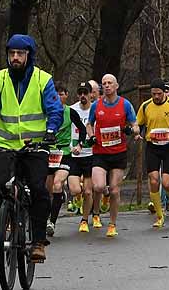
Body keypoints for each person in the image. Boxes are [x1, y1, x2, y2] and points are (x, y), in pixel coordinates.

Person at [0, 35, 64, 261]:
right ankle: (2, 220)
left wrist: (51, 131)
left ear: (29, 56)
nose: (15, 58)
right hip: (5, 144)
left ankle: (38, 241)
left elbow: (55, 110)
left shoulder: (43, 80)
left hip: (35, 146)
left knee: (38, 189)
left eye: (20, 54)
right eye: (12, 53)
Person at [86, 74, 137, 236]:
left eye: (110, 83)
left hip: (118, 153)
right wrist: (91, 135)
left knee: (115, 190)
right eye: (104, 83)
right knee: (99, 186)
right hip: (100, 153)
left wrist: (131, 130)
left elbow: (135, 124)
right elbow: (89, 124)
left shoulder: (125, 104)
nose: (107, 86)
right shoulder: (96, 105)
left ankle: (112, 224)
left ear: (116, 86)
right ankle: (99, 207)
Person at [136, 80, 169, 228]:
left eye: (159, 94)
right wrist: (137, 133)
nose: (157, 97)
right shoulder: (146, 106)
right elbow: (139, 124)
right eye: (154, 94)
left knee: (166, 183)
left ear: (164, 92)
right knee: (153, 180)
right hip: (152, 146)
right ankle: (160, 216)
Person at [46, 86, 86, 235]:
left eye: (61, 94)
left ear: (66, 96)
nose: (57, 97)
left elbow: (82, 129)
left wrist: (79, 145)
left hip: (64, 153)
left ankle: (52, 222)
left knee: (57, 184)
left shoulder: (70, 112)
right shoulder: (45, 111)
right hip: (48, 152)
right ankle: (58, 197)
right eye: (54, 94)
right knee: (47, 189)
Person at [58, 83, 96, 235]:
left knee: (88, 192)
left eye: (85, 93)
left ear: (90, 94)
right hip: (74, 155)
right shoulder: (73, 109)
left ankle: (85, 220)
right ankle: (76, 199)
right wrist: (72, 145)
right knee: (75, 190)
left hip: (90, 154)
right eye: (80, 93)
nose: (82, 96)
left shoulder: (96, 109)